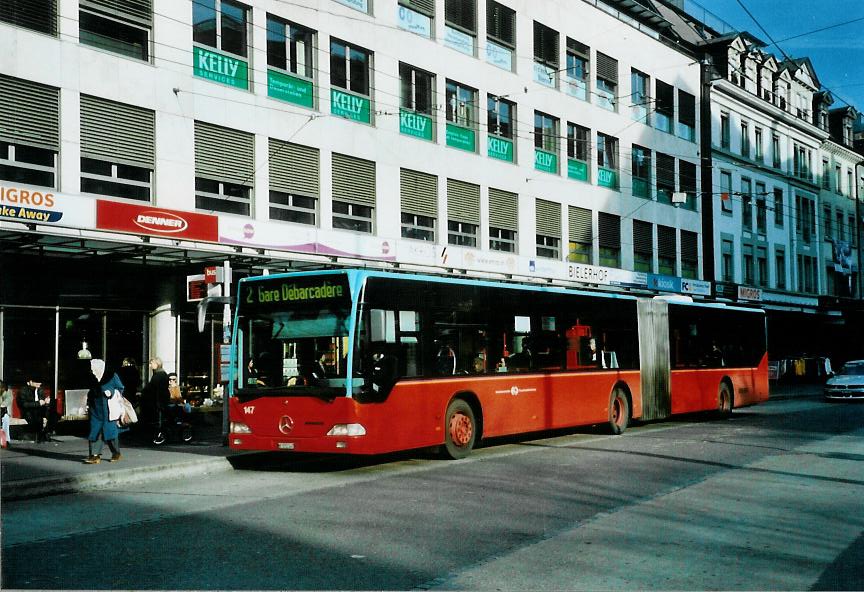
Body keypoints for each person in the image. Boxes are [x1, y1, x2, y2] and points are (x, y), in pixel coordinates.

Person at [84, 359, 124, 464]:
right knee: (95, 431)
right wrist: (88, 403)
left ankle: (116, 452)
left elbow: (120, 388)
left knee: (110, 432)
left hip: (108, 409)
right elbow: (90, 391)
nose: (92, 371)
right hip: (95, 409)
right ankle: (94, 455)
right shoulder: (91, 377)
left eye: (94, 368)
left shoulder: (111, 376)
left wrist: (110, 392)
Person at [17, 374, 50, 443]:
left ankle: (44, 432)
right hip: (28, 411)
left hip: (39, 410)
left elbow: (43, 402)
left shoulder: (40, 390)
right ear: (31, 382)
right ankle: (41, 434)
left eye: (40, 382)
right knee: (37, 416)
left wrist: (46, 402)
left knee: (52, 413)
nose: (39, 384)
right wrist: (38, 403)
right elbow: (24, 405)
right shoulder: (23, 390)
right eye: (37, 382)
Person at [140, 357, 170, 427]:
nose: (150, 366)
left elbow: (151, 387)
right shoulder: (161, 373)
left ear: (157, 364)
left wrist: (143, 392)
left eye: (151, 364)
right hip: (161, 398)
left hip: (158, 399)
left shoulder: (158, 375)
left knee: (157, 419)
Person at [1, 380, 12, 445]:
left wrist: (3, 404)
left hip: (1, 412)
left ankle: (5, 440)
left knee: (6, 418)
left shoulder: (5, 391)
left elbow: (8, 398)